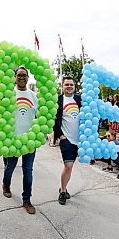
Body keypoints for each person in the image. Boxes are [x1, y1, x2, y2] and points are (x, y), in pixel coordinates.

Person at [2, 66, 39, 214]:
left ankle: (27, 199)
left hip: (29, 140)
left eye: (24, 75)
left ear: (28, 77)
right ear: (15, 77)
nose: (22, 77)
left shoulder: (34, 96)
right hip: (13, 139)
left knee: (28, 170)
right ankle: (6, 184)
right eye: (19, 75)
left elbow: (38, 117)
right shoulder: (9, 94)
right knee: (10, 167)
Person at [53, 76, 81, 205]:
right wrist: (60, 135)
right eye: (66, 85)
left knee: (71, 166)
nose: (69, 86)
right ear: (62, 86)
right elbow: (53, 118)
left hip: (80, 139)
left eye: (71, 84)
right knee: (68, 166)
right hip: (66, 138)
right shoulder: (58, 100)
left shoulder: (79, 99)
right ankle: (63, 191)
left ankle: (63, 187)